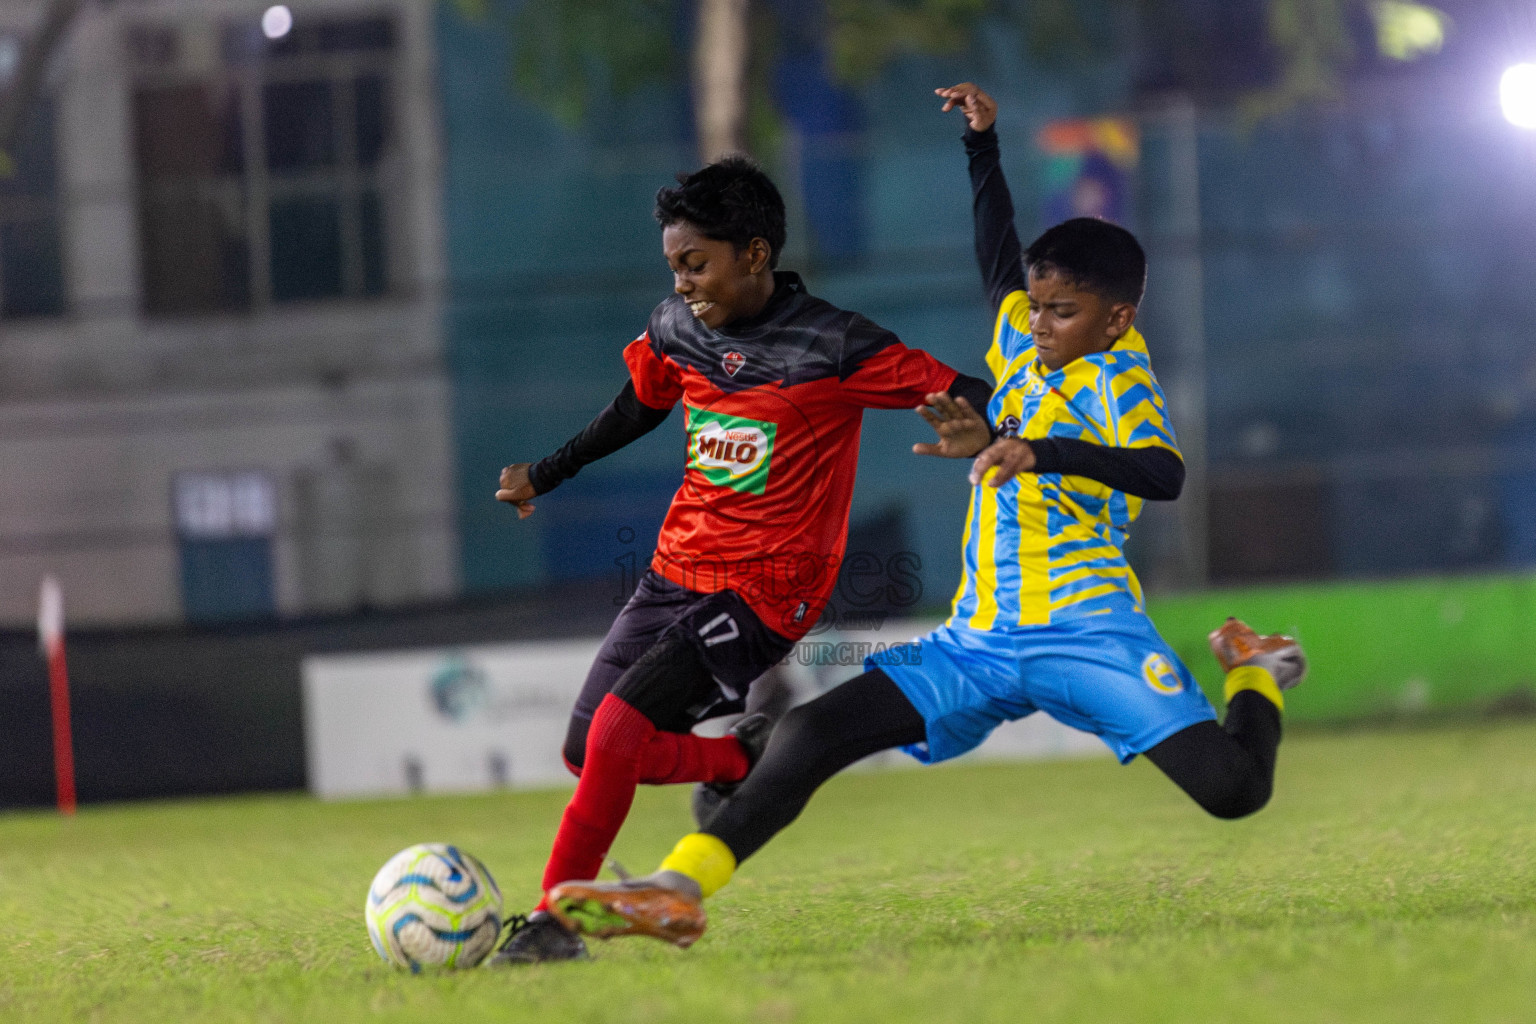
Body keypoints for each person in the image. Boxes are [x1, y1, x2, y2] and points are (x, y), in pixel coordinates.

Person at [539, 83, 1309, 949]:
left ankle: (1254, 667)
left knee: (1235, 790)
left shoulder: (1122, 380)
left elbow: (1163, 473)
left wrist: (1035, 450)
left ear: (1119, 318)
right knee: (810, 731)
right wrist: (983, 146)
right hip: (978, 640)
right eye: (1039, 303)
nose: (1040, 322)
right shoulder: (1025, 330)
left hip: (1086, 633)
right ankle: (679, 889)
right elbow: (996, 257)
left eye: (1065, 311)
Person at [487, 156, 995, 964]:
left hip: (769, 591)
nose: (683, 283)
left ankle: (556, 924)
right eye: (674, 267)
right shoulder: (677, 328)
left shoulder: (835, 344)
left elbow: (972, 388)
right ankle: (744, 755)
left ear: (755, 254)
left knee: (622, 730)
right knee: (587, 750)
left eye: (697, 263)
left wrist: (1010, 432)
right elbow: (637, 406)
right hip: (674, 570)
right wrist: (547, 471)